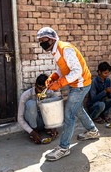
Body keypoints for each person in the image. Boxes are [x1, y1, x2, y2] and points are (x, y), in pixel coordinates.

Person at [37, 27, 100, 161]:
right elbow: (63, 67)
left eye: (44, 40)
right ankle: (92, 131)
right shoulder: (56, 50)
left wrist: (59, 84)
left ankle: (63, 148)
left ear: (52, 39)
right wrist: (54, 76)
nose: (42, 43)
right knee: (77, 109)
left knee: (69, 115)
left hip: (81, 84)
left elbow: (76, 71)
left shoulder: (65, 49)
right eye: (40, 41)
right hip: (76, 84)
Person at [17, 74, 59, 144]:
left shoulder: (50, 93)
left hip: (45, 123)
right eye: (40, 90)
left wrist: (54, 126)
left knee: (54, 101)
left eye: (44, 90)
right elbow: (20, 118)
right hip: (32, 124)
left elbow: (56, 110)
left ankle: (48, 128)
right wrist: (31, 132)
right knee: (31, 104)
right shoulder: (26, 95)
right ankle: (35, 131)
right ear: (35, 86)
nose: (42, 92)